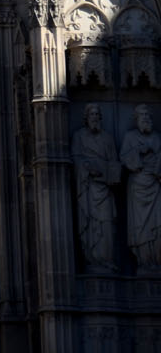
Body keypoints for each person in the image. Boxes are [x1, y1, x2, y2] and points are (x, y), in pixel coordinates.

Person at [71, 104, 120, 272]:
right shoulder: (79, 136)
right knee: (90, 225)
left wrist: (111, 174)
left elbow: (114, 162)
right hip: (88, 188)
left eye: (97, 114)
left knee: (106, 225)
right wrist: (88, 168)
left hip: (104, 190)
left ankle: (107, 260)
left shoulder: (107, 138)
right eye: (91, 114)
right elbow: (75, 159)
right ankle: (92, 261)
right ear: (86, 117)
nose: (95, 117)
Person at [121, 104, 161, 269]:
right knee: (141, 227)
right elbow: (124, 157)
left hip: (156, 184)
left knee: (158, 225)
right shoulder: (130, 137)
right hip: (138, 186)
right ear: (136, 120)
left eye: (148, 116)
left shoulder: (157, 137)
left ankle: (157, 261)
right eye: (142, 116)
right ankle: (144, 261)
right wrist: (139, 152)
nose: (146, 118)